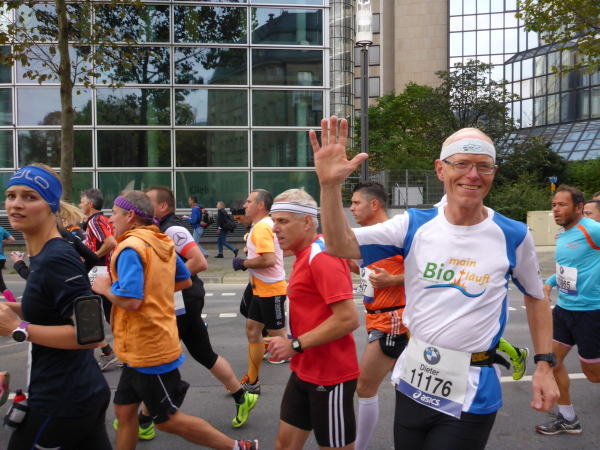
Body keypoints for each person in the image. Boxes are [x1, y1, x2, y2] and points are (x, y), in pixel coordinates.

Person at [310, 116, 558, 449]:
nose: (473, 174)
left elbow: (536, 297)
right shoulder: (414, 224)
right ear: (441, 169)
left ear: (493, 173)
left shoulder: (513, 234)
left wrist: (544, 363)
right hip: (414, 379)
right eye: (462, 164)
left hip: (471, 389)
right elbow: (339, 245)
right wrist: (329, 187)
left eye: (483, 166)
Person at [91, 190, 259, 450]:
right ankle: (238, 400)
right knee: (124, 413)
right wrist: (152, 291)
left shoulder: (129, 248)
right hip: (137, 346)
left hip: (147, 348)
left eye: (114, 213)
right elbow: (184, 281)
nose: (110, 219)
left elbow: (131, 301)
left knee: (168, 420)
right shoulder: (160, 239)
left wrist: (104, 288)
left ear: (130, 215)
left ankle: (238, 447)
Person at [0, 164, 111, 449]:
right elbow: (47, 309)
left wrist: (17, 329)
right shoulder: (42, 256)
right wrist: (9, 309)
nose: (16, 204)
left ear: (50, 206)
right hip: (78, 392)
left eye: (30, 197)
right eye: (11, 195)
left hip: (62, 400)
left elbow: (91, 335)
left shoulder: (57, 258)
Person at [146, 186, 258, 430]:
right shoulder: (160, 227)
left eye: (148, 201)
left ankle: (144, 418)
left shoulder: (172, 228)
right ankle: (242, 396)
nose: (143, 205)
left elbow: (199, 262)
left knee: (157, 357)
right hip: (184, 299)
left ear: (163, 206)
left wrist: (162, 284)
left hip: (182, 300)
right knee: (203, 353)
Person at [267, 188, 360, 450]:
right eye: (274, 221)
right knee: (284, 445)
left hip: (329, 376)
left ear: (307, 221)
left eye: (283, 221)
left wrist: (294, 345)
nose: (275, 228)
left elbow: (348, 319)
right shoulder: (304, 254)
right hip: (303, 368)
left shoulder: (322, 257)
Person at [347, 182, 408, 450]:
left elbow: (427, 272)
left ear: (374, 205)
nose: (351, 208)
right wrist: (355, 268)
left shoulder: (397, 234)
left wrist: (392, 280)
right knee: (405, 386)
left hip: (391, 320)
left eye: (355, 202)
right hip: (377, 318)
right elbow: (371, 275)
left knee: (364, 387)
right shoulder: (365, 237)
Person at [535, 185, 600, 436]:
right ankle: (568, 418)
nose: (556, 209)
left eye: (562, 205)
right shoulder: (562, 234)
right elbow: (567, 267)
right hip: (564, 310)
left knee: (594, 376)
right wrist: (549, 284)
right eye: (554, 205)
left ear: (579, 207)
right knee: (551, 362)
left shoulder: (592, 230)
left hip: (590, 313)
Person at [232, 189, 288, 393]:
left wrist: (243, 263)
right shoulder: (261, 226)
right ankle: (252, 381)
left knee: (281, 339)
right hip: (259, 288)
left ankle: (311, 377)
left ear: (260, 205)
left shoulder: (262, 227)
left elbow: (269, 260)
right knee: (252, 331)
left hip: (271, 290)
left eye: (249, 201)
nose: (245, 205)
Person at [80, 188, 120, 370]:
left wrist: (91, 257)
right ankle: (121, 351)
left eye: (82, 202)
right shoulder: (102, 220)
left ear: (90, 204)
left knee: (89, 312)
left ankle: (110, 352)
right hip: (105, 271)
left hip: (100, 272)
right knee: (110, 314)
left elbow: (110, 242)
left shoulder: (95, 221)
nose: (80, 205)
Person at [10, 201, 100, 279]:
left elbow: (33, 277)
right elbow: (93, 258)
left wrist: (19, 263)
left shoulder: (44, 241)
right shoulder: (68, 235)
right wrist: (79, 274)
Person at [0, 224, 15, 302]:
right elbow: (12, 239)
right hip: (1, 259)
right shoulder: (1, 229)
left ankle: (13, 303)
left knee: (2, 286)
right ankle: (13, 303)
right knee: (1, 285)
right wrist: (2, 242)